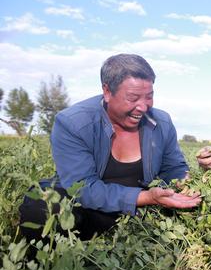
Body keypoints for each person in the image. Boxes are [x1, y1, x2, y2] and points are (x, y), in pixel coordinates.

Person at [20, 53, 201, 241]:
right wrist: (147, 197)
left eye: (149, 96)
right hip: (87, 209)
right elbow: (83, 189)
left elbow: (174, 168)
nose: (143, 107)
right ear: (107, 92)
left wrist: (185, 183)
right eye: (133, 98)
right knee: (43, 204)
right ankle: (51, 264)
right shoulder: (73, 123)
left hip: (136, 212)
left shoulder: (161, 122)